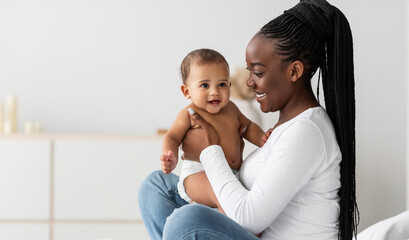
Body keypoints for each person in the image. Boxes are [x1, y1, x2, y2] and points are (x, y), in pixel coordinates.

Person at [138, 0, 359, 239]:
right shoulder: (289, 126)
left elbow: (249, 220)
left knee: (186, 221)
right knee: (156, 185)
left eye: (259, 72)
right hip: (241, 219)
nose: (249, 82)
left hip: (254, 228)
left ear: (294, 71)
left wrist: (210, 149)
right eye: (249, 71)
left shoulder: (306, 131)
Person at [160, 48, 267, 213]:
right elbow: (172, 136)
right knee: (216, 189)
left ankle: (240, 219)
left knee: (247, 192)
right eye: (204, 85)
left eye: (222, 84)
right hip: (198, 174)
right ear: (187, 91)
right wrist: (170, 156)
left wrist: (264, 140)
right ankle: (240, 223)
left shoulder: (231, 108)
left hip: (231, 174)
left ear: (230, 85)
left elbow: (248, 127)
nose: (215, 92)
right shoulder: (189, 114)